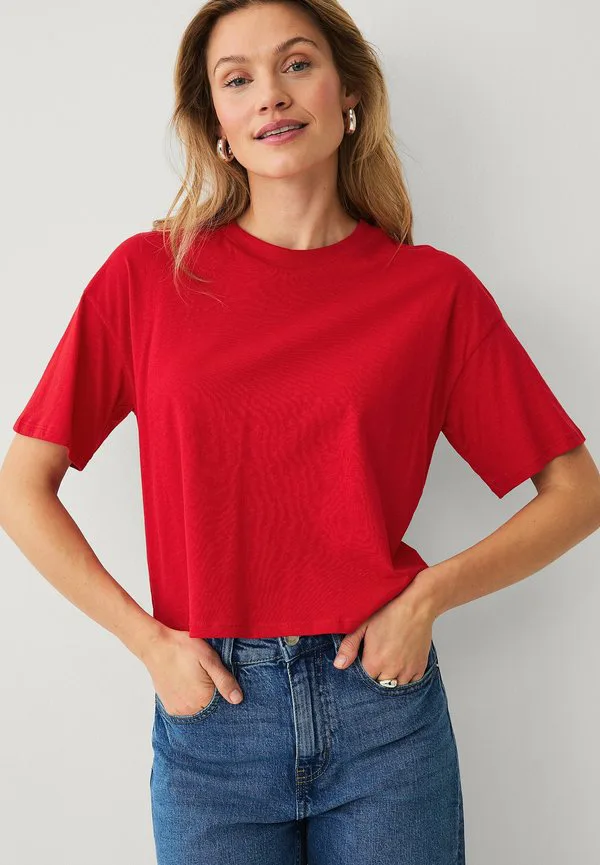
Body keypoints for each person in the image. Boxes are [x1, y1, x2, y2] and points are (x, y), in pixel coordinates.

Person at [1, 2, 599, 863]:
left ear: (348, 90)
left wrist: (427, 597)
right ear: (216, 124)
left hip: (382, 711)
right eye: (237, 79)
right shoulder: (148, 278)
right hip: (213, 714)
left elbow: (577, 492)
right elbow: (22, 487)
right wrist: (147, 640)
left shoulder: (431, 293)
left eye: (296, 64)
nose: (270, 96)